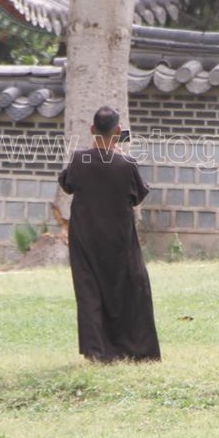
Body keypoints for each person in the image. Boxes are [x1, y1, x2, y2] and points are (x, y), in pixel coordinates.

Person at [57, 107, 159, 362]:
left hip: (86, 238)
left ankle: (95, 351)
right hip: (119, 238)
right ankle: (136, 349)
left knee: (89, 290)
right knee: (131, 287)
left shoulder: (81, 160)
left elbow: (66, 184)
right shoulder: (126, 164)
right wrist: (119, 154)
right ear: (118, 132)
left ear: (92, 130)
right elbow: (139, 195)